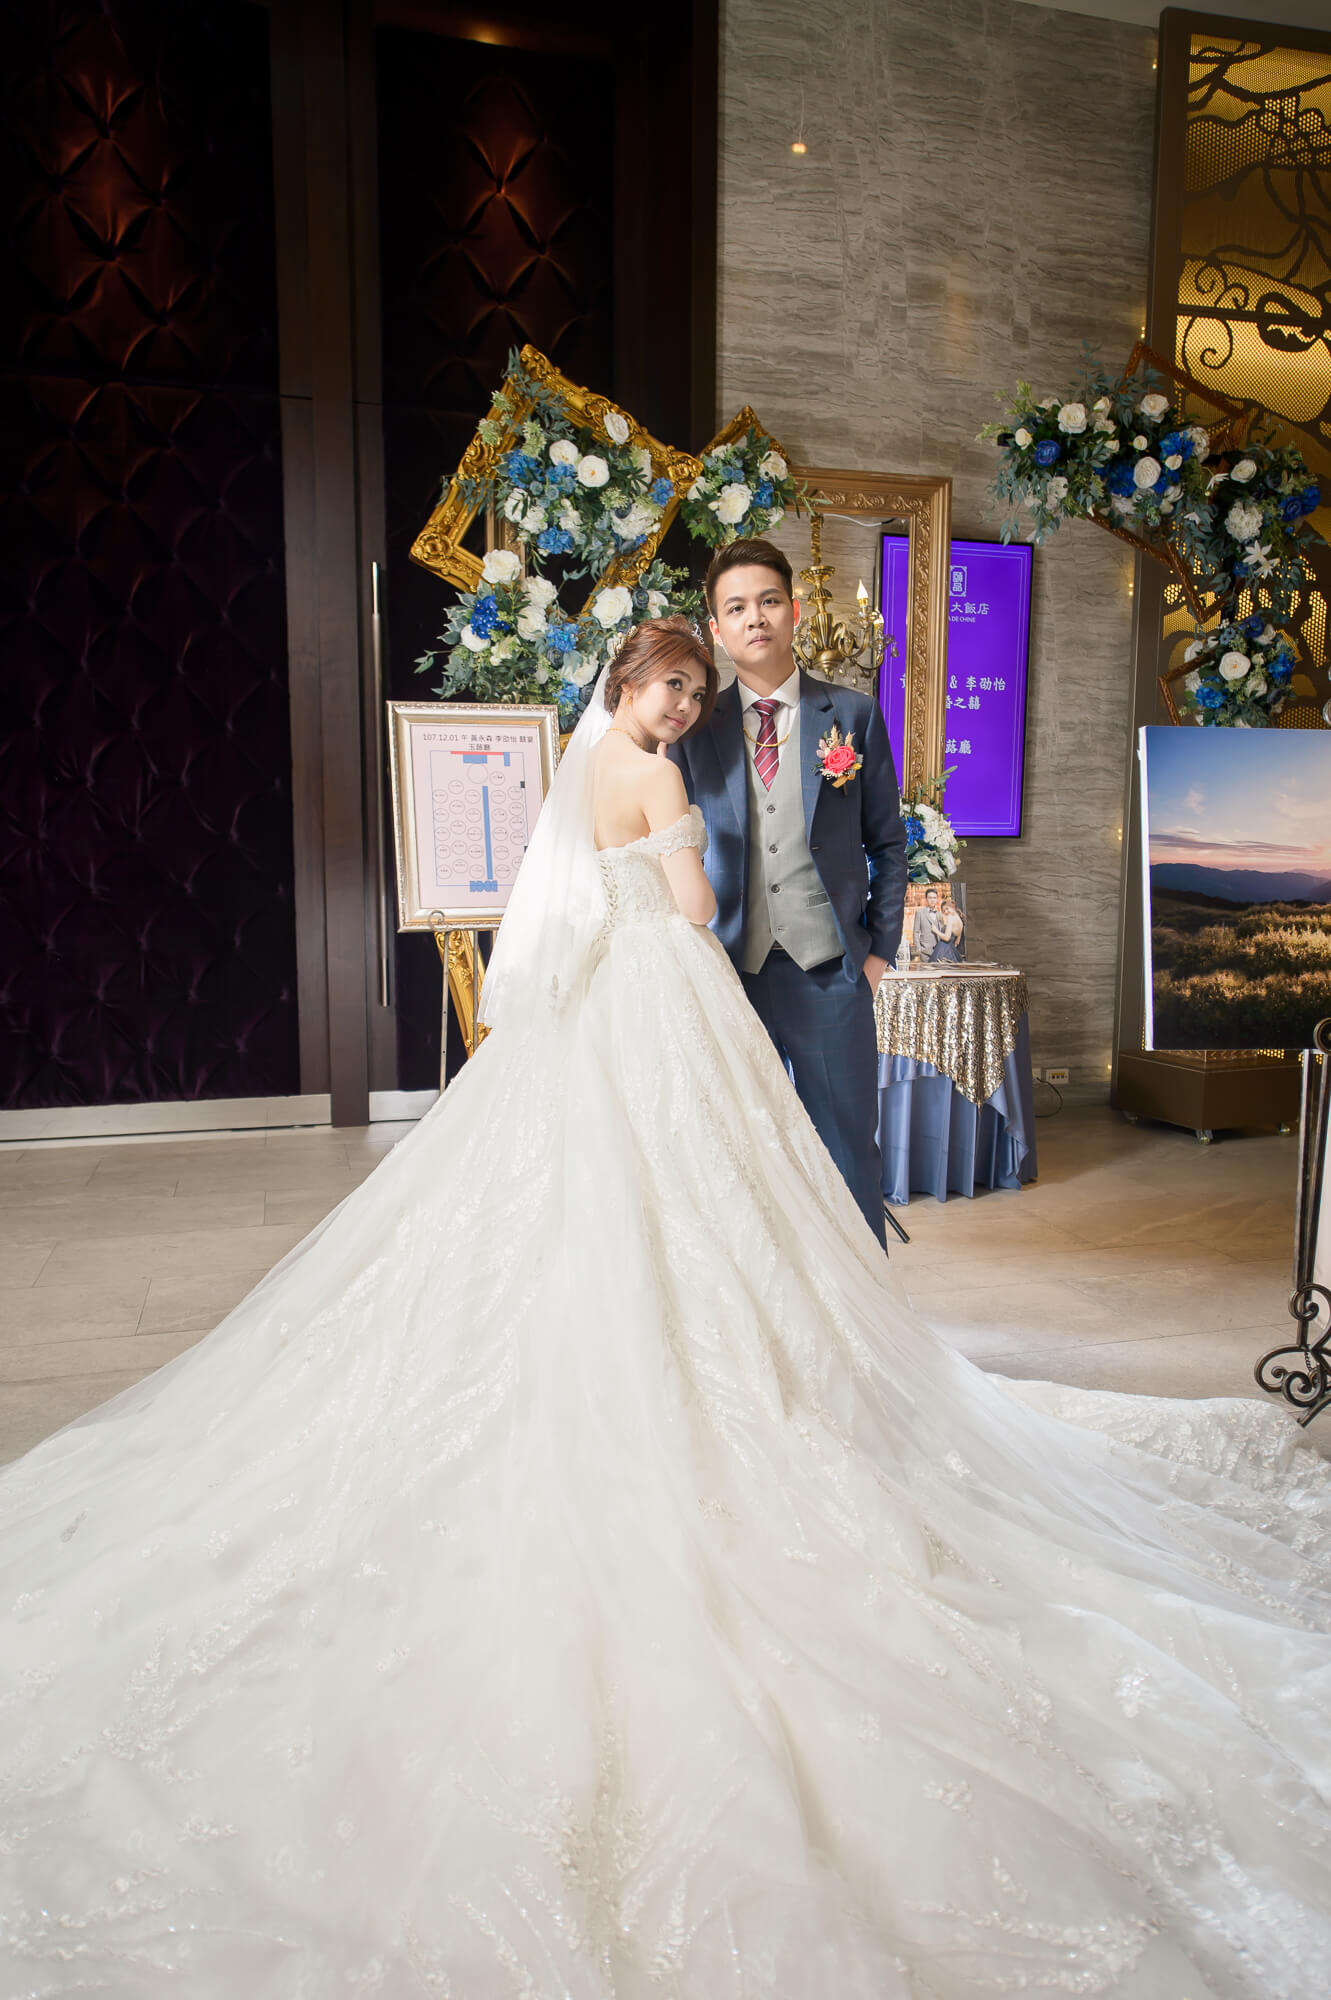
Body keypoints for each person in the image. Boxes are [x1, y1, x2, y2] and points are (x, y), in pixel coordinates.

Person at [2, 615, 1331, 1999]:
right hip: (665, 1000)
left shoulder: (575, 766)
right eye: (671, 684)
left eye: (692, 689)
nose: (683, 703)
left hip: (587, 1009)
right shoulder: (648, 775)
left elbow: (571, 904)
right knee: (703, 1188)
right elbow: (694, 912)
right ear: (629, 686)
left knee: (605, 1197)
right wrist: (694, 862)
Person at [670, 539, 906, 1244]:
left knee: (848, 1149)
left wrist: (878, 953)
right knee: (741, 1154)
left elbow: (888, 844)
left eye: (769, 601)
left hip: (830, 970)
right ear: (716, 629)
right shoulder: (693, 727)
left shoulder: (852, 715)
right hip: (729, 972)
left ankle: (865, 1298)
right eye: (736, 607)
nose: (755, 618)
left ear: (795, 611)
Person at [932, 891, 964, 965]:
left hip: (943, 949)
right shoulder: (959, 920)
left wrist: (935, 930)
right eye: (944, 911)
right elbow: (957, 942)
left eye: (947, 909)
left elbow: (947, 938)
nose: (946, 912)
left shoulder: (950, 917)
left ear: (952, 907)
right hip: (951, 950)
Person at [912, 885, 943, 962]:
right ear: (926, 899)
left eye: (934, 898)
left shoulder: (939, 914)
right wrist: (918, 948)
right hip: (924, 951)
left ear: (937, 899)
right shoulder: (920, 913)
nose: (932, 900)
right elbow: (916, 932)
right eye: (930, 898)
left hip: (938, 951)